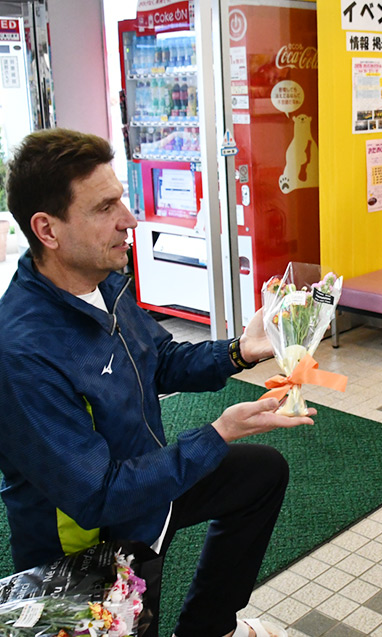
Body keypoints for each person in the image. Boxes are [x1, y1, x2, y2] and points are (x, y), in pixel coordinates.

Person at [0, 128, 316, 637]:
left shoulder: (104, 281)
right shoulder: (22, 354)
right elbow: (99, 495)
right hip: (94, 535)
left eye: (121, 199)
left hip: (147, 482)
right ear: (47, 230)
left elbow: (159, 358)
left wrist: (241, 350)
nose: (128, 219)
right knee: (138, 620)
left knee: (260, 475)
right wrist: (217, 434)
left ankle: (209, 627)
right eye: (105, 208)